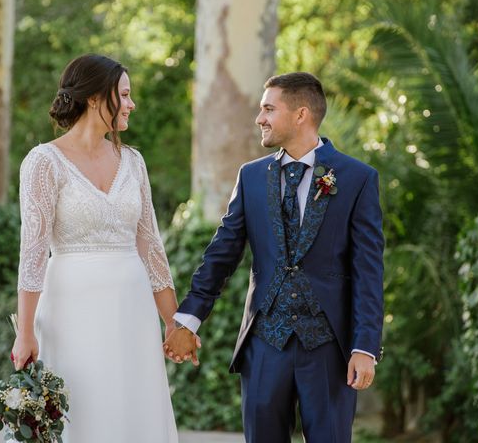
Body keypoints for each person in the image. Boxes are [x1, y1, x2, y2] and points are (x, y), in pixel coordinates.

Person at [164, 72, 384, 442]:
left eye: (268, 108)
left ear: (301, 114)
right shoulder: (251, 177)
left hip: (329, 348)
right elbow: (222, 254)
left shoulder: (356, 178)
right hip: (266, 344)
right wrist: (188, 319)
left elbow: (368, 271)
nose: (259, 118)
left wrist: (365, 347)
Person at [11, 54, 180, 442]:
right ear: (93, 98)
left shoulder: (134, 163)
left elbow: (151, 247)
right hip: (71, 307)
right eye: (124, 94)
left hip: (131, 309)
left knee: (132, 407)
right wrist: (25, 332)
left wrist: (173, 323)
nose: (131, 104)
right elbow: (33, 254)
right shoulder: (43, 162)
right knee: (80, 407)